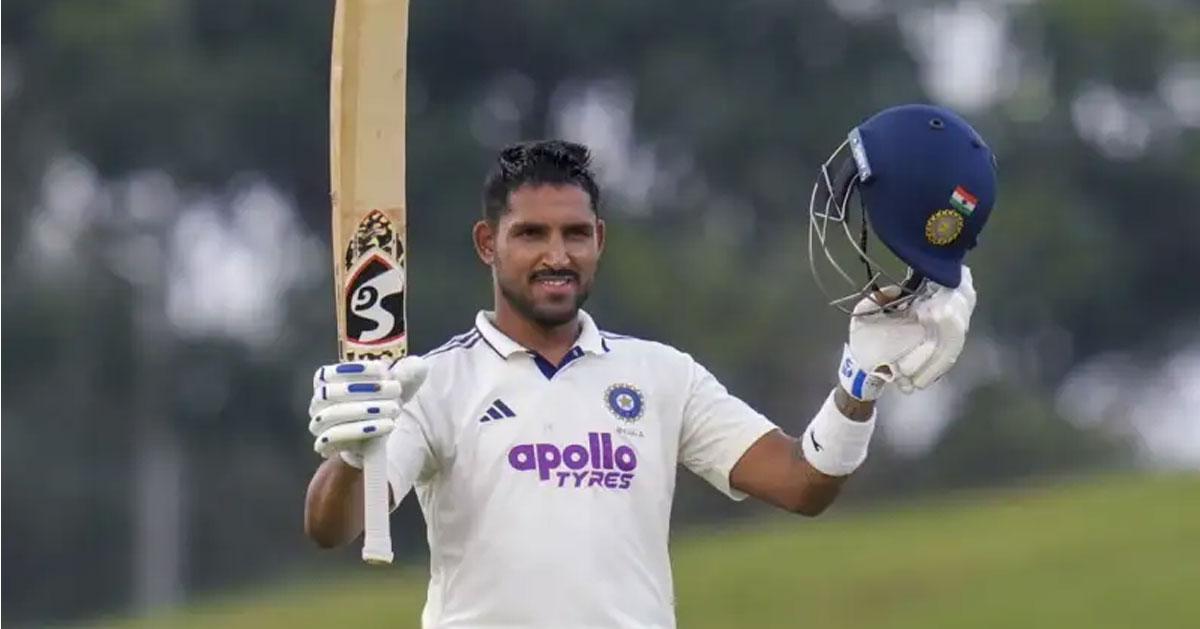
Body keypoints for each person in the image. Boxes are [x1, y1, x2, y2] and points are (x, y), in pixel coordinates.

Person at [304, 104, 996, 628]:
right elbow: (333, 526)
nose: (557, 255)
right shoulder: (428, 384)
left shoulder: (661, 376)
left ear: (599, 239)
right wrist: (352, 454)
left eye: (576, 234)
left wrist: (858, 386)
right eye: (532, 234)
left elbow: (802, 483)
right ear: (488, 243)